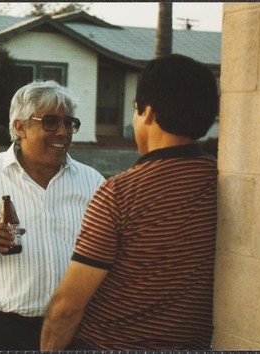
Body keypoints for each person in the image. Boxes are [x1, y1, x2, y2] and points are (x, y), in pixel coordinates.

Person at [40, 54, 220, 350]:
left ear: (147, 113)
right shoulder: (219, 181)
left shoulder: (119, 193)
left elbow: (67, 306)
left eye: (135, 110)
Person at [0, 80, 105, 350]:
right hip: (2, 333)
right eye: (49, 122)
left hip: (74, 333)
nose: (62, 132)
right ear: (19, 127)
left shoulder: (91, 181)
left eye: (68, 123)